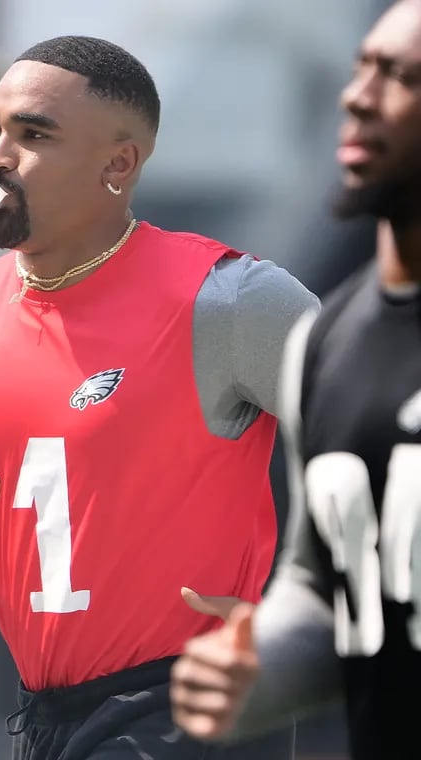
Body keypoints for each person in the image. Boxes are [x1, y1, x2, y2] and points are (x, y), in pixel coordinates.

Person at [0, 35, 317, 760]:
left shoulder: (227, 300)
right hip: (42, 717)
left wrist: (308, 611)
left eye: (34, 134)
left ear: (117, 165)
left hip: (192, 703)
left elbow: (383, 441)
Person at [169, 3, 421, 760]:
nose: (358, 95)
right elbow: (325, 588)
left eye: (400, 77)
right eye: (362, 66)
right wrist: (255, 669)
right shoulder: (323, 340)